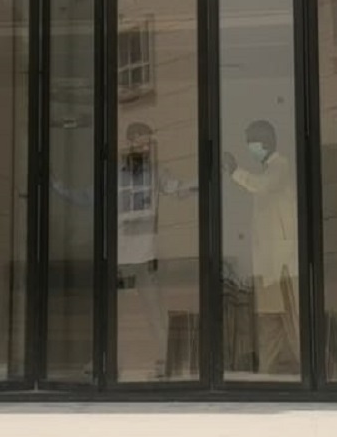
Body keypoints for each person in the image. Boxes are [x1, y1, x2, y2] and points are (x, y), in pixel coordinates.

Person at [50, 121, 198, 379]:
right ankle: (104, 359)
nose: (146, 147)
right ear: (130, 142)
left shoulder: (156, 173)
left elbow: (178, 188)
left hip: (145, 256)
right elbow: (87, 196)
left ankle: (166, 360)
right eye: (141, 142)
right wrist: (57, 187)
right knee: (109, 310)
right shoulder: (114, 175)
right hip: (118, 256)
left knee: (154, 310)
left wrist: (205, 177)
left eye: (148, 142)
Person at [222, 120, 300, 377]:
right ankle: (267, 373)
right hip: (267, 266)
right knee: (269, 322)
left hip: (283, 264)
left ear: (264, 142)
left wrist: (235, 171)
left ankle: (309, 373)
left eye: (251, 143)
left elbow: (261, 185)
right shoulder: (267, 171)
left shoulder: (280, 166)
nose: (250, 148)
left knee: (292, 321)